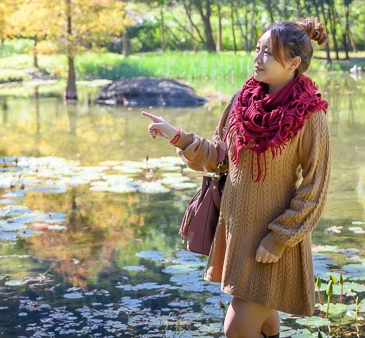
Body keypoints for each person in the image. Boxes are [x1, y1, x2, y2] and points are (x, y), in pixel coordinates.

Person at [142, 19, 332, 338]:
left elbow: (316, 187)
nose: (258, 58)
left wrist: (278, 238)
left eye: (268, 53)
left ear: (294, 63)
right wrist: (176, 136)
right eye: (257, 49)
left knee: (237, 330)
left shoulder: (310, 115)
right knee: (266, 323)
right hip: (238, 233)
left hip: (272, 244)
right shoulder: (241, 101)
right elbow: (220, 157)